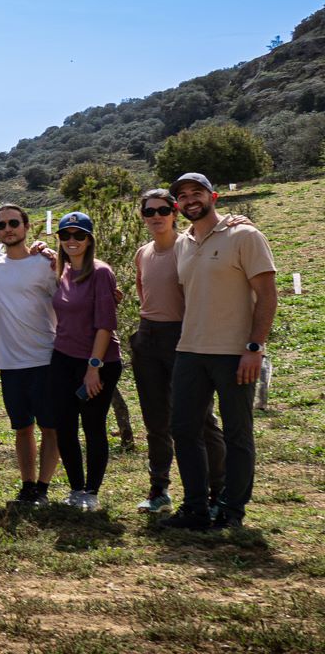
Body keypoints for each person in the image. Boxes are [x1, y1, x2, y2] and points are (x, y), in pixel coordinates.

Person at [161, 173, 277, 532]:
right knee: (183, 429)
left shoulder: (245, 235)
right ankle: (195, 507)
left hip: (234, 353)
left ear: (214, 196)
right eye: (183, 196)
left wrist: (254, 347)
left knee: (237, 433)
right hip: (190, 351)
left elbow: (268, 294)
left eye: (197, 192)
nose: (190, 199)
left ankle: (231, 509)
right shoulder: (182, 243)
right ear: (178, 205)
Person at [129, 188, 220, 514]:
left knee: (200, 419)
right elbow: (144, 292)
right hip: (148, 337)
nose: (156, 216)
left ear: (175, 212)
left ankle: (216, 494)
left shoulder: (190, 248)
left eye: (162, 210)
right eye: (149, 211)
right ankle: (159, 491)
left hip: (185, 338)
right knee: (156, 420)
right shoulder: (143, 253)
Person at [0, 204, 61, 508]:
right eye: (1, 225)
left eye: (14, 223)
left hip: (45, 357)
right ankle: (28, 486)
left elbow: (68, 299)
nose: (8, 229)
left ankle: (44, 486)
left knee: (50, 426)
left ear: (27, 226)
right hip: (9, 363)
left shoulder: (45, 263)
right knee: (22, 427)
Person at [47, 213, 122, 510]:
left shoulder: (101, 273)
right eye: (66, 235)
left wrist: (94, 368)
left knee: (93, 425)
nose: (72, 241)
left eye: (79, 235)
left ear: (90, 239)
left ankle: (92, 491)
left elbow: (106, 325)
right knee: (63, 425)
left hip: (97, 360)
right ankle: (76, 489)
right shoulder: (61, 271)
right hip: (63, 357)